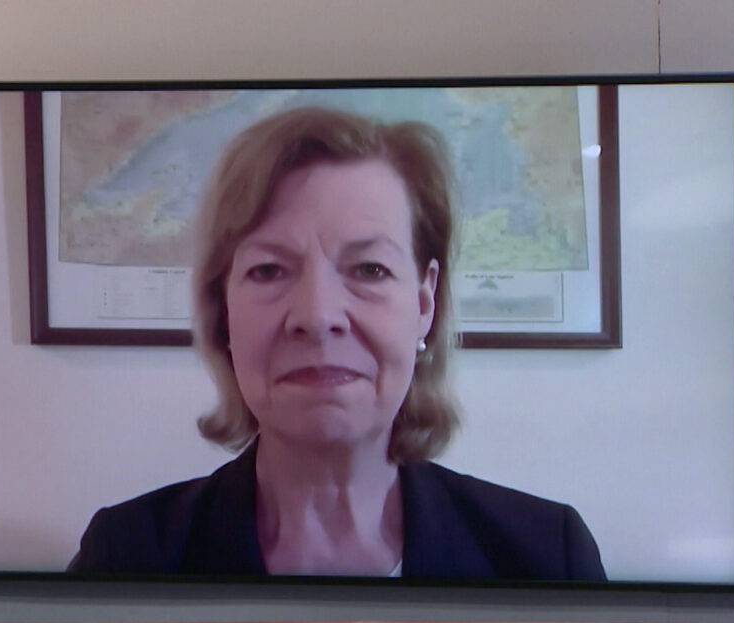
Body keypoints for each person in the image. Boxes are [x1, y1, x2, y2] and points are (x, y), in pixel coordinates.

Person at [70, 107, 605, 582]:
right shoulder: (125, 556)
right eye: (269, 269)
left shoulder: (546, 556)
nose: (318, 316)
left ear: (424, 304)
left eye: (369, 269)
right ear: (223, 311)